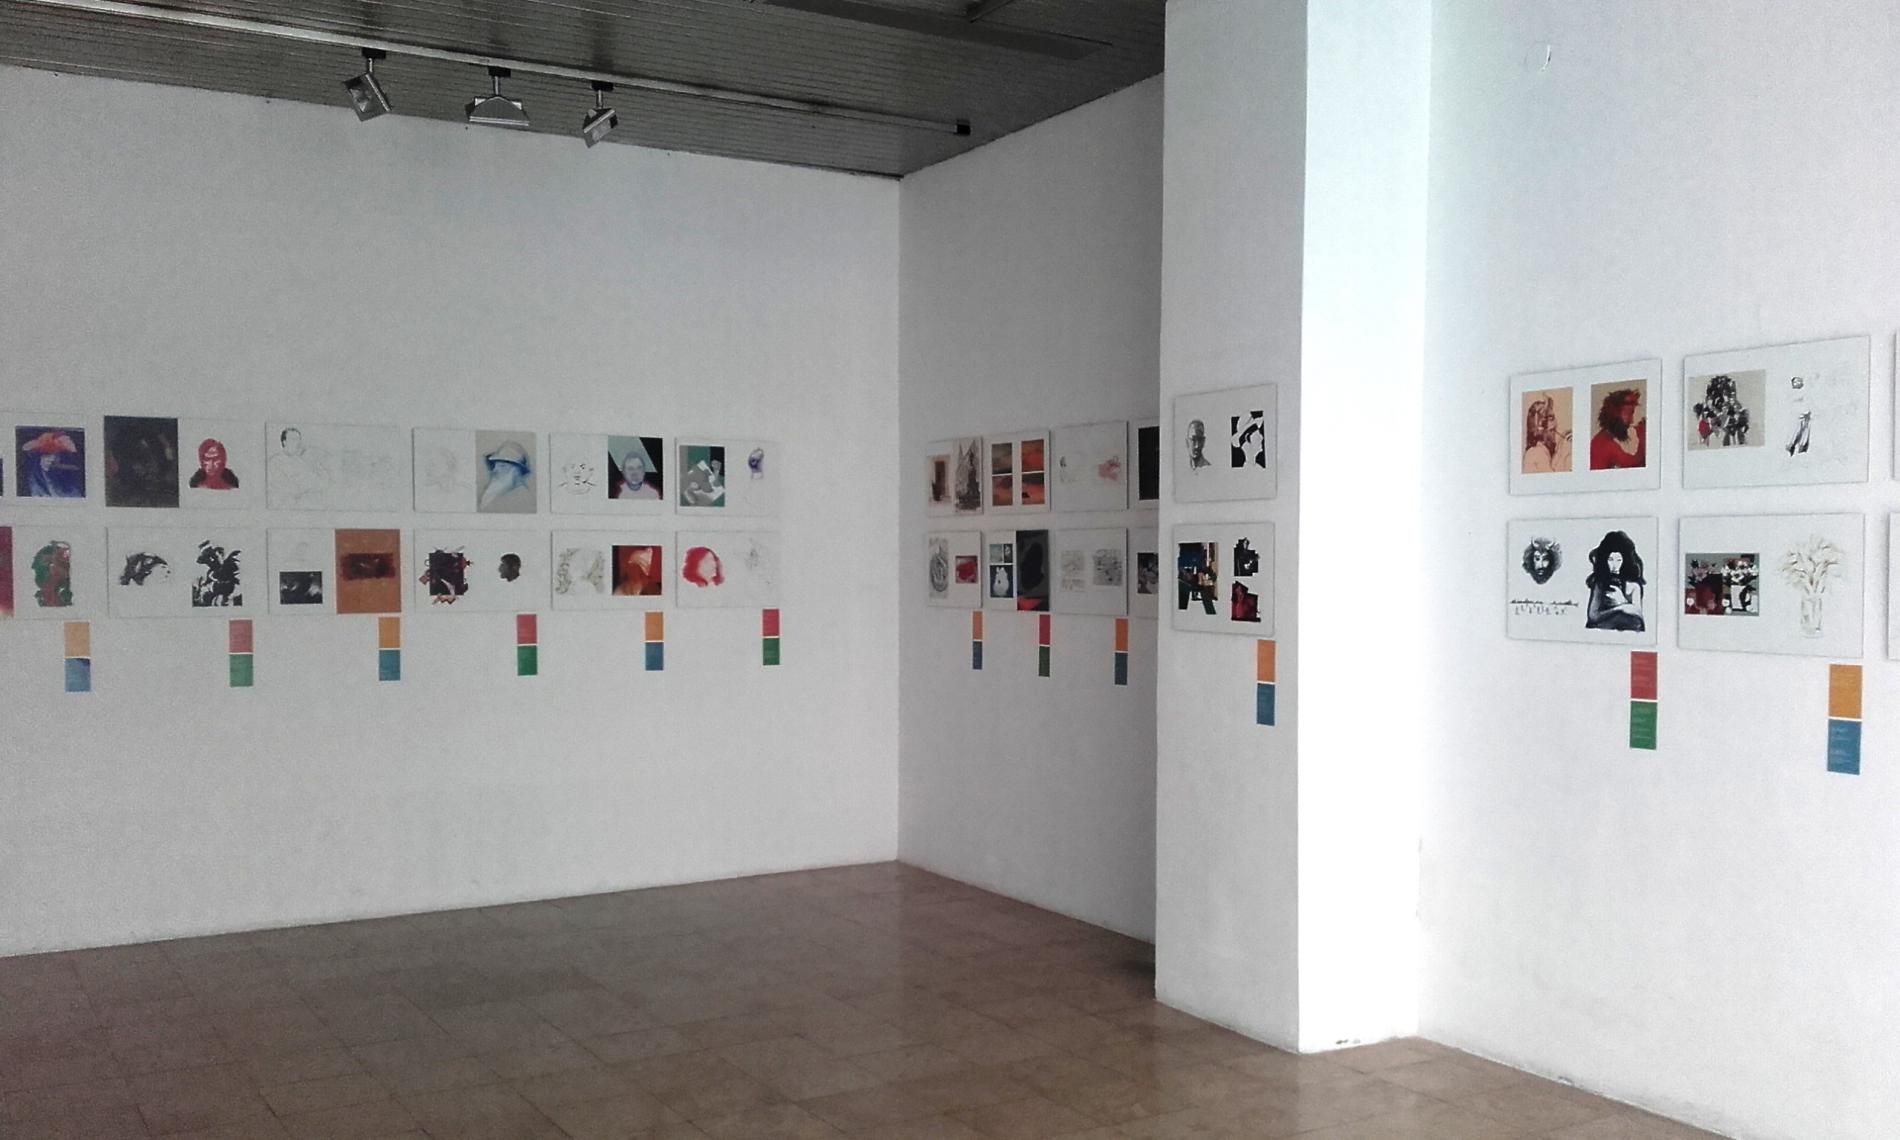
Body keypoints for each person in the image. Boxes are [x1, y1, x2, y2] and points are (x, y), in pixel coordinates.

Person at [1584, 530, 1645, 631]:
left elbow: (1639, 614)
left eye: (1619, 560)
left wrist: (1622, 602)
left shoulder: (1633, 586)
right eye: (1610, 560)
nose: (1614, 565)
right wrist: (1620, 608)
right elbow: (1593, 616)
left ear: (1625, 561)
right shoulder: (1600, 585)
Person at [1589, 388, 1646, 470]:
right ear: (1615, 414)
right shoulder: (1599, 444)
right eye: (1630, 412)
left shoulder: (1642, 432)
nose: (1633, 419)